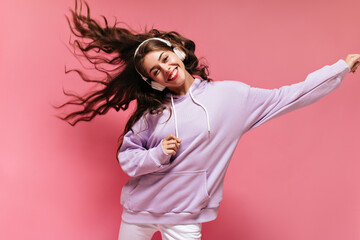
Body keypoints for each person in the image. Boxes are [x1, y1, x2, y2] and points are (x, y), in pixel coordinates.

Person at [56, 0, 360, 239]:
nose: (165, 69)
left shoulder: (231, 97)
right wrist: (158, 154)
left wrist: (339, 69)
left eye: (164, 59)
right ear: (154, 82)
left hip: (187, 216)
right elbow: (129, 157)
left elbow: (289, 96)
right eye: (155, 72)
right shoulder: (153, 113)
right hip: (140, 211)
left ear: (176, 51)